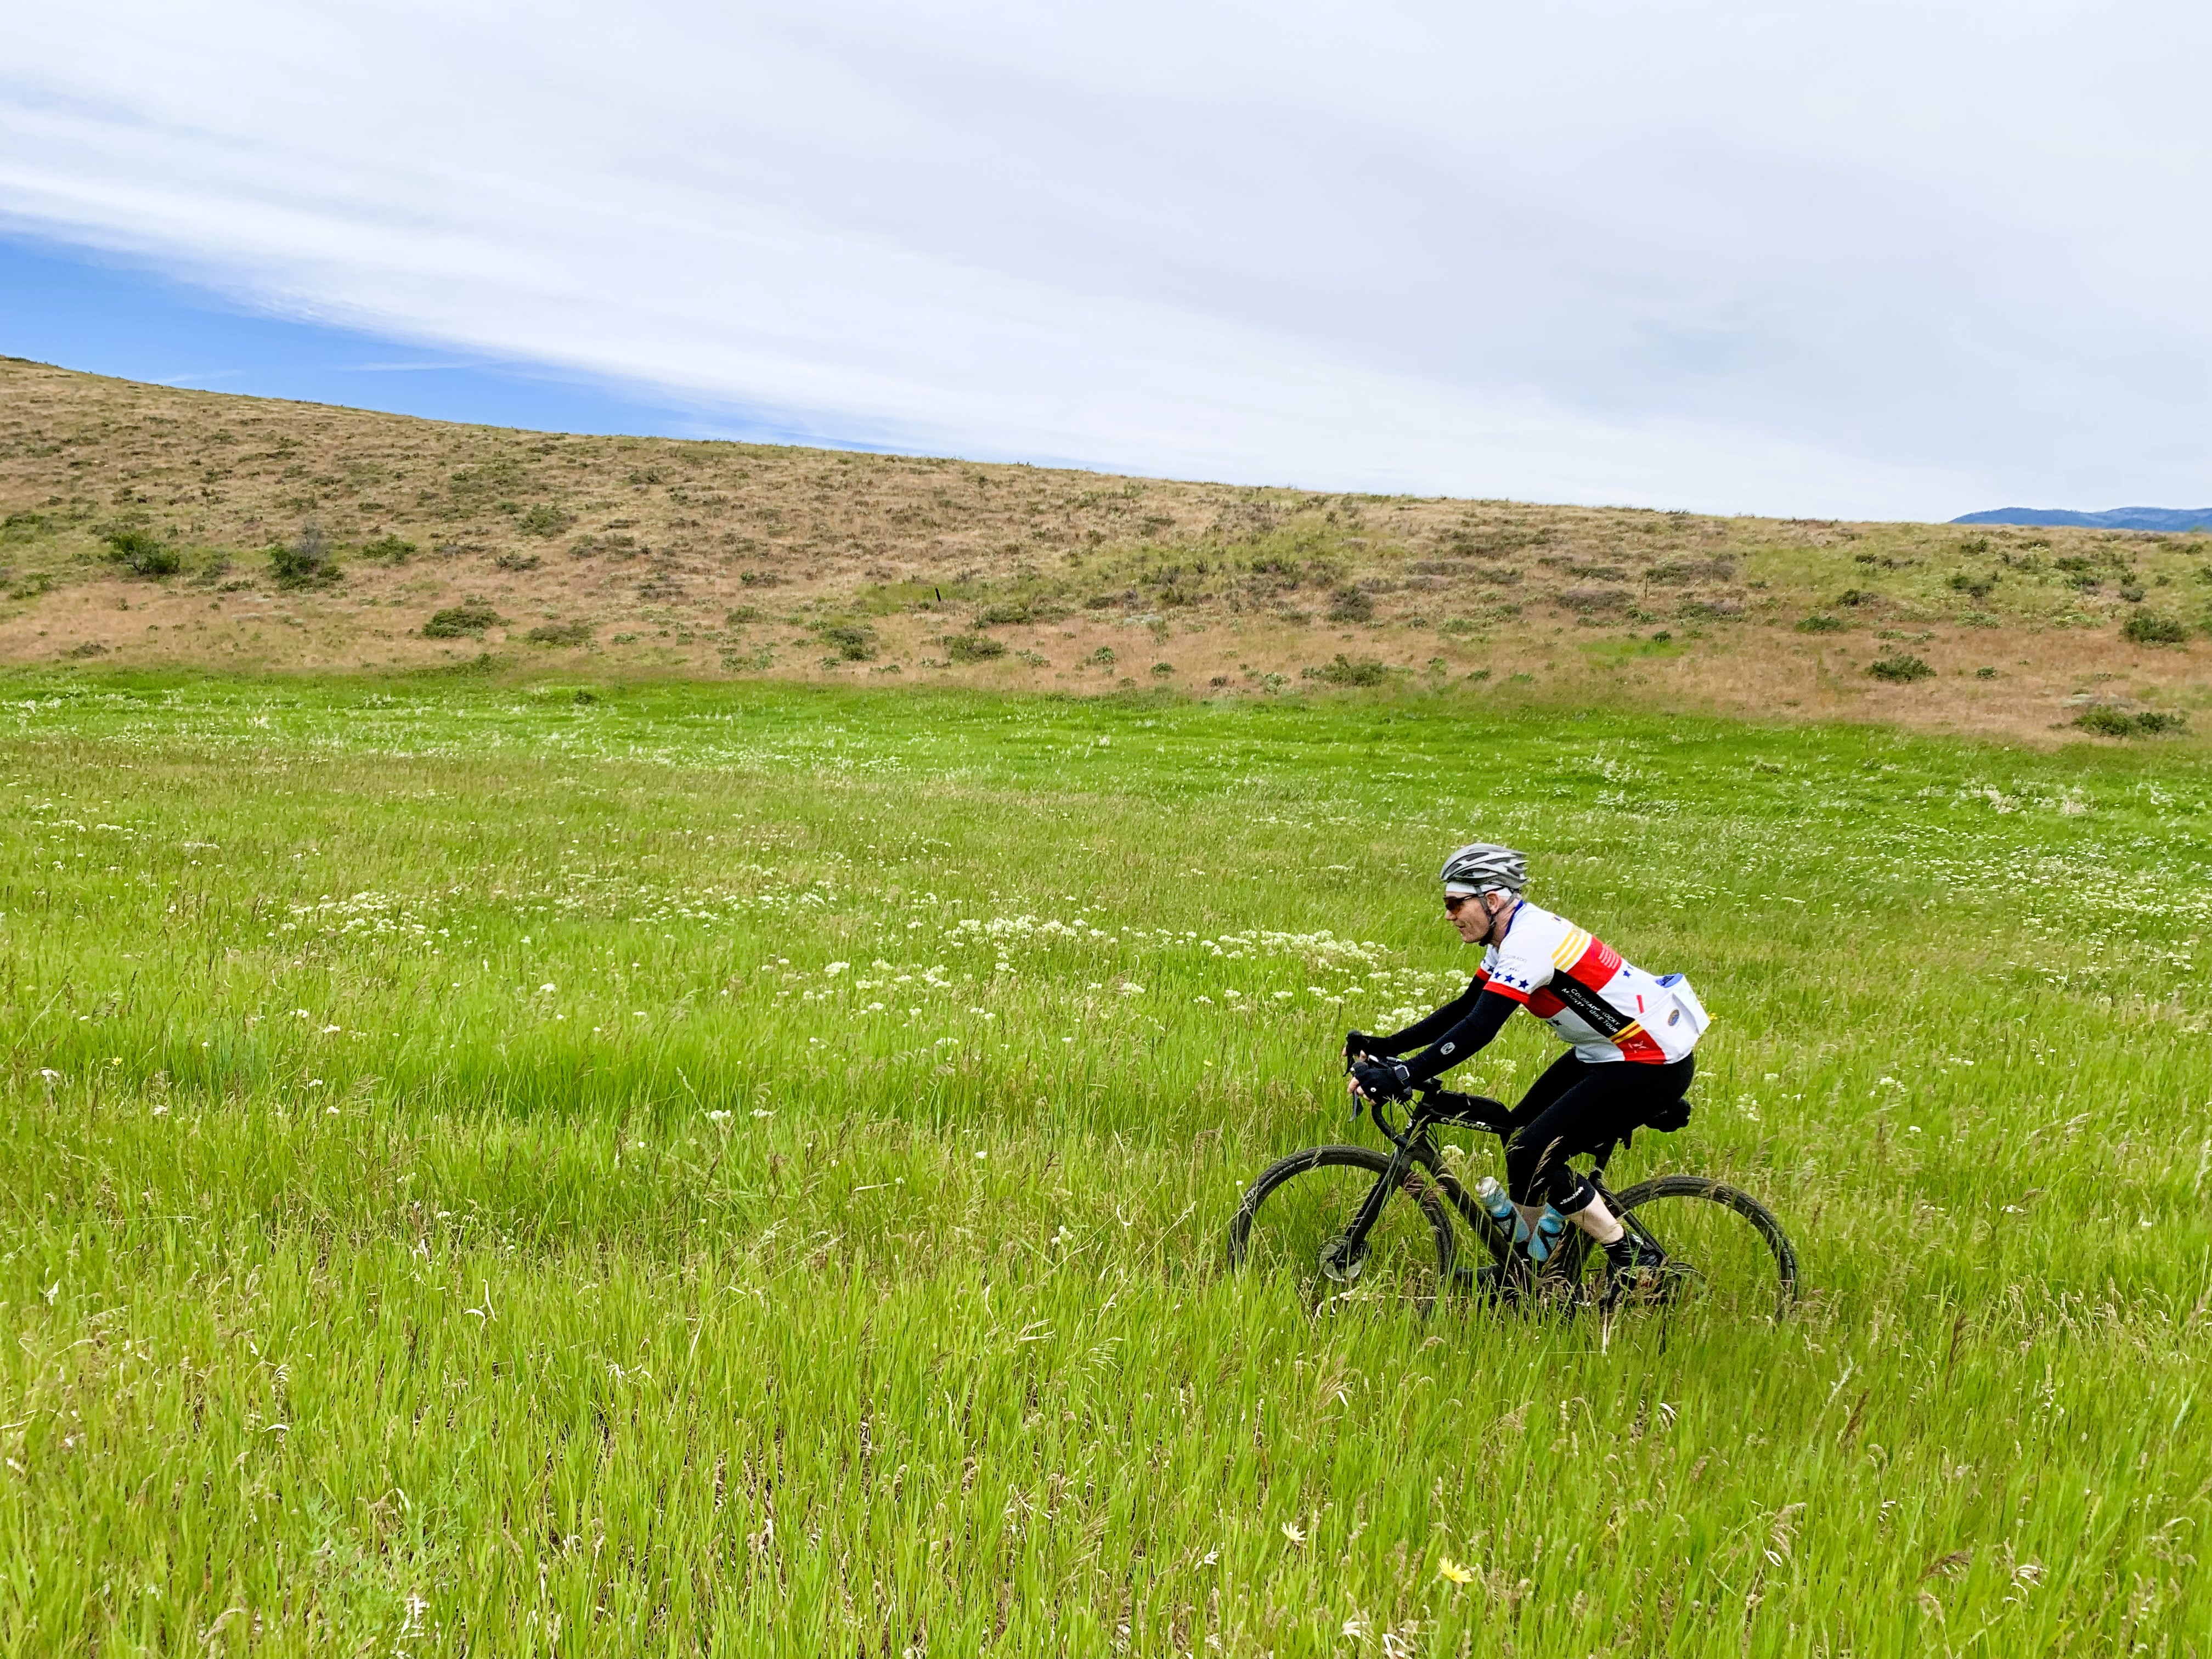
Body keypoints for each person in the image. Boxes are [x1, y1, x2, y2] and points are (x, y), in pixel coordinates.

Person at [1345, 842, 1707, 1293]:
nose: (1449, 915)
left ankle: (1632, 1254)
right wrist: (1386, 1046)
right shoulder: (1510, 936)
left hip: (1648, 1061)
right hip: (1610, 1053)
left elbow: (1479, 1028)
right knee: (1518, 1137)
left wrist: (1403, 1075)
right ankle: (1533, 1270)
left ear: (1491, 900)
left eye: (1455, 903)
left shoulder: (1529, 944)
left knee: (1533, 1151)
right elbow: (1465, 1007)